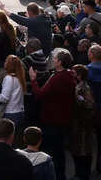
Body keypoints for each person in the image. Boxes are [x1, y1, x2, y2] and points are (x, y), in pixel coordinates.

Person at [29, 49, 75, 180]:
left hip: (51, 119)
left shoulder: (57, 79)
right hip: (63, 119)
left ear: (60, 62)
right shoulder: (69, 75)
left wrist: (33, 80)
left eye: (55, 59)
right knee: (59, 151)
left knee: (52, 152)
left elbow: (40, 94)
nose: (53, 61)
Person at [69, 65, 95, 180]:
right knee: (77, 149)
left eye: (74, 73)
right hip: (77, 123)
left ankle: (83, 174)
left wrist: (78, 97)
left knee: (83, 150)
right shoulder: (76, 85)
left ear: (79, 76)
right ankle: (80, 172)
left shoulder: (84, 88)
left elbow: (89, 104)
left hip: (83, 124)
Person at [0, 55, 26, 129]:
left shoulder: (9, 78)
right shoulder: (19, 77)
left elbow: (5, 98)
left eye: (6, 61)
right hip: (20, 112)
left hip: (11, 114)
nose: (4, 63)